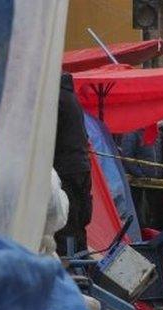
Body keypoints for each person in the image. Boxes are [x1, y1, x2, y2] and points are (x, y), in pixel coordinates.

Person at [53, 73, 92, 255]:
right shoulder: (72, 98)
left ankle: (69, 268)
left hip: (65, 169)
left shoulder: (56, 99)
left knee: (66, 221)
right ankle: (82, 265)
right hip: (82, 167)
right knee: (79, 222)